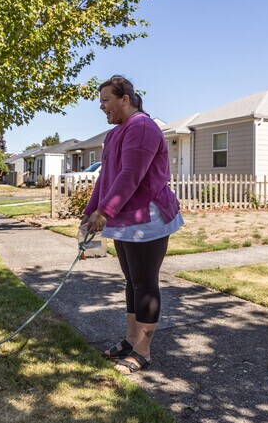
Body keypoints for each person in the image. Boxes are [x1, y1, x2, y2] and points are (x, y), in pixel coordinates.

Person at [81, 75, 183, 374]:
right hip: (124, 217)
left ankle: (143, 350)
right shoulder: (114, 134)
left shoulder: (142, 127)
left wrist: (105, 212)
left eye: (105, 101)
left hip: (146, 218)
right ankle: (129, 340)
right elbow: (106, 177)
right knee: (131, 281)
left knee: (144, 282)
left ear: (125, 99)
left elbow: (130, 175)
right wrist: (90, 211)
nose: (102, 107)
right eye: (100, 102)